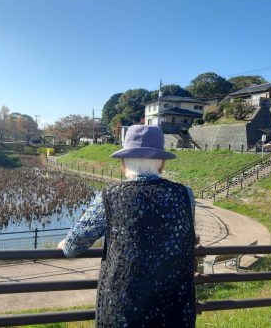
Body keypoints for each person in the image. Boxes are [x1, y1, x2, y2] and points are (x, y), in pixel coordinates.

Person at [57, 125, 197, 328]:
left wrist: (64, 244)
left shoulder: (111, 196)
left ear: (123, 163)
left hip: (124, 309)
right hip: (174, 305)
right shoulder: (185, 194)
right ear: (161, 163)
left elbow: (75, 244)